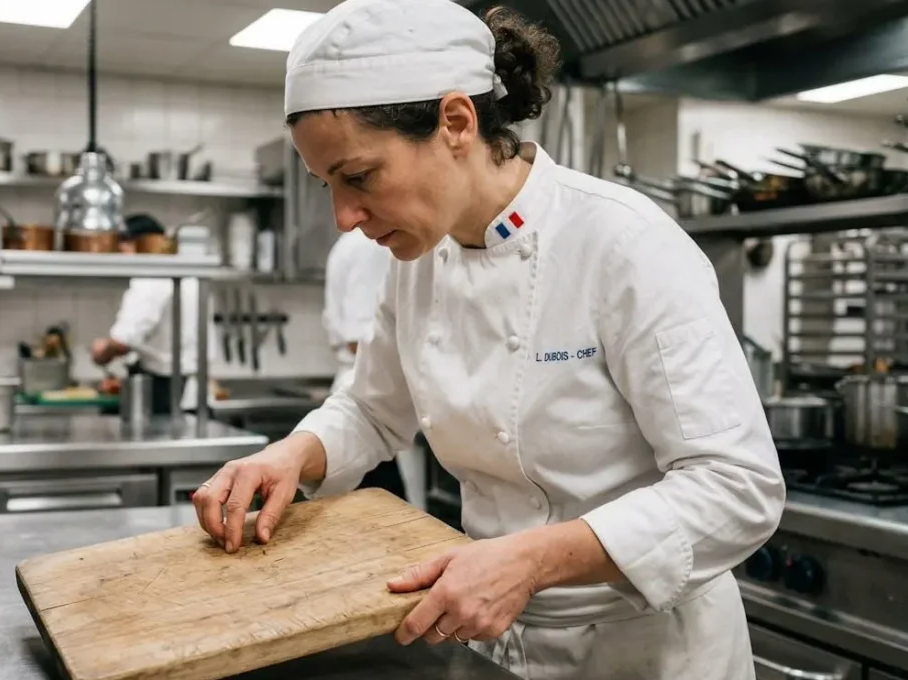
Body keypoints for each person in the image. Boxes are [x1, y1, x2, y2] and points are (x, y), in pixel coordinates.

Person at [191, 2, 785, 679]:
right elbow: (371, 409)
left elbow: (737, 487)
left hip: (645, 649)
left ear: (455, 123)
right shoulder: (417, 263)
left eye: (358, 177)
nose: (345, 217)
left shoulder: (624, 243)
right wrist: (294, 453)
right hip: (489, 638)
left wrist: (531, 560)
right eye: (327, 184)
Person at [91, 214, 211, 414]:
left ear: (132, 244)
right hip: (196, 393)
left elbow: (122, 341)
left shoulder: (151, 276)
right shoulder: (188, 273)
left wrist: (101, 351)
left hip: (165, 392)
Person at [322, 227, 408, 501]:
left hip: (369, 397)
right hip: (368, 397)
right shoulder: (370, 246)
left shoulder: (353, 244)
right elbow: (359, 340)